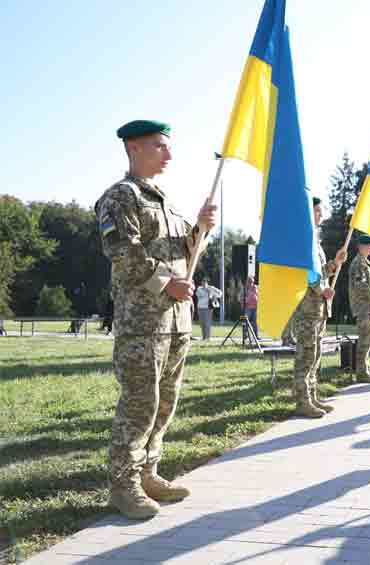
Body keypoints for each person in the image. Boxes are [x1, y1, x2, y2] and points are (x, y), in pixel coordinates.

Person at [96, 119, 217, 519]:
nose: (168, 154)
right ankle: (123, 485)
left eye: (167, 146)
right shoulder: (120, 197)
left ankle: (148, 472)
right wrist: (166, 284)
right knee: (140, 402)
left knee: (165, 401)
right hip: (142, 323)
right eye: (158, 146)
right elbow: (122, 252)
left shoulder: (164, 200)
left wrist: (200, 227)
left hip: (175, 322)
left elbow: (183, 250)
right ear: (133, 148)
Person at [292, 196, 346, 418]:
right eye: (317, 211)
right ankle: (302, 400)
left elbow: (321, 271)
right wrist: (320, 289)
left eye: (321, 211)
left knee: (314, 353)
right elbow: (305, 272)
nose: (321, 215)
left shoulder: (315, 241)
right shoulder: (302, 240)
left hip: (318, 308)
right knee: (305, 353)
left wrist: (335, 262)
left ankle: (312, 396)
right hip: (307, 307)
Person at [347, 234, 370, 384]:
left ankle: (367, 367)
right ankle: (361, 372)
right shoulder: (358, 264)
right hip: (363, 308)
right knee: (365, 341)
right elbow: (360, 286)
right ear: (362, 246)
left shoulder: (368, 264)